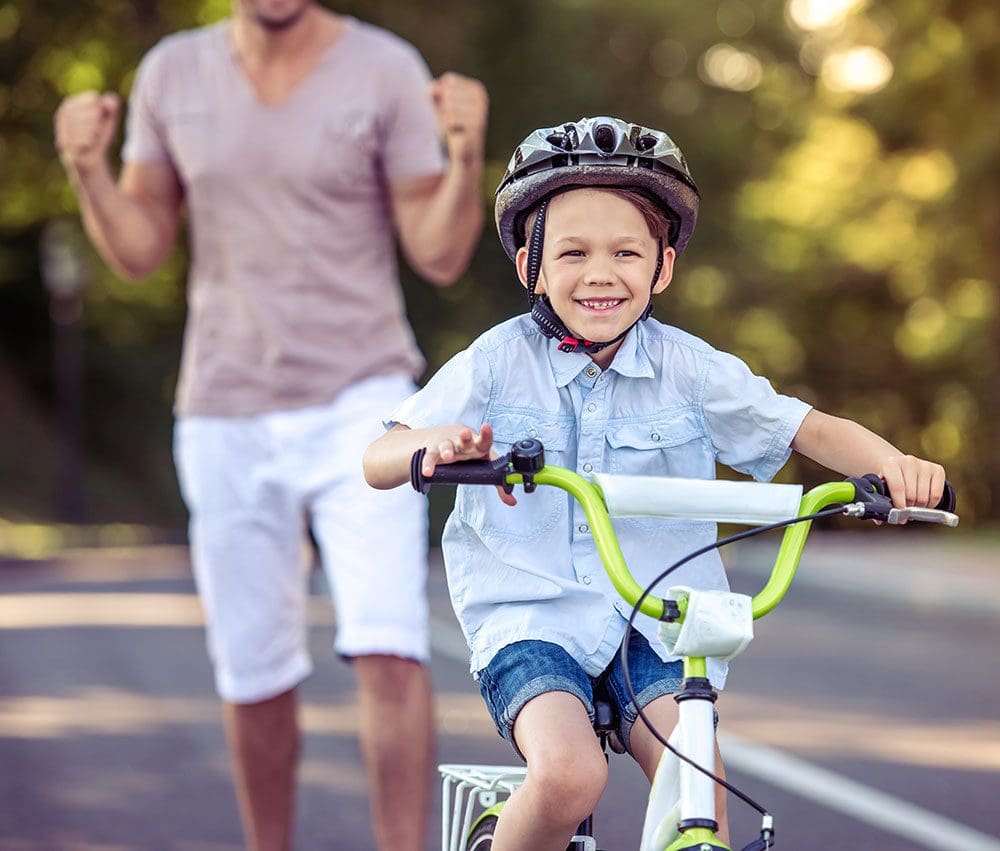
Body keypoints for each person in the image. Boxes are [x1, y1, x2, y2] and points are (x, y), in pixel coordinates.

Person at [362, 116, 948, 851]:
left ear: (662, 267)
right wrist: (429, 444)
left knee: (698, 795)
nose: (600, 272)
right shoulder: (494, 363)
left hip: (660, 619)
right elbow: (378, 458)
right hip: (532, 619)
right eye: (572, 252)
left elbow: (808, 428)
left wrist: (892, 465)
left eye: (626, 252)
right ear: (531, 269)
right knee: (570, 778)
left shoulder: (693, 369)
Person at [53, 2, 489, 850]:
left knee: (388, 645)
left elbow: (437, 253)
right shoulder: (172, 74)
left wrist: (466, 155)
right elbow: (140, 250)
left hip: (364, 400)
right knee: (252, 671)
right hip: (225, 408)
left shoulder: (384, 68)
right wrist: (86, 170)